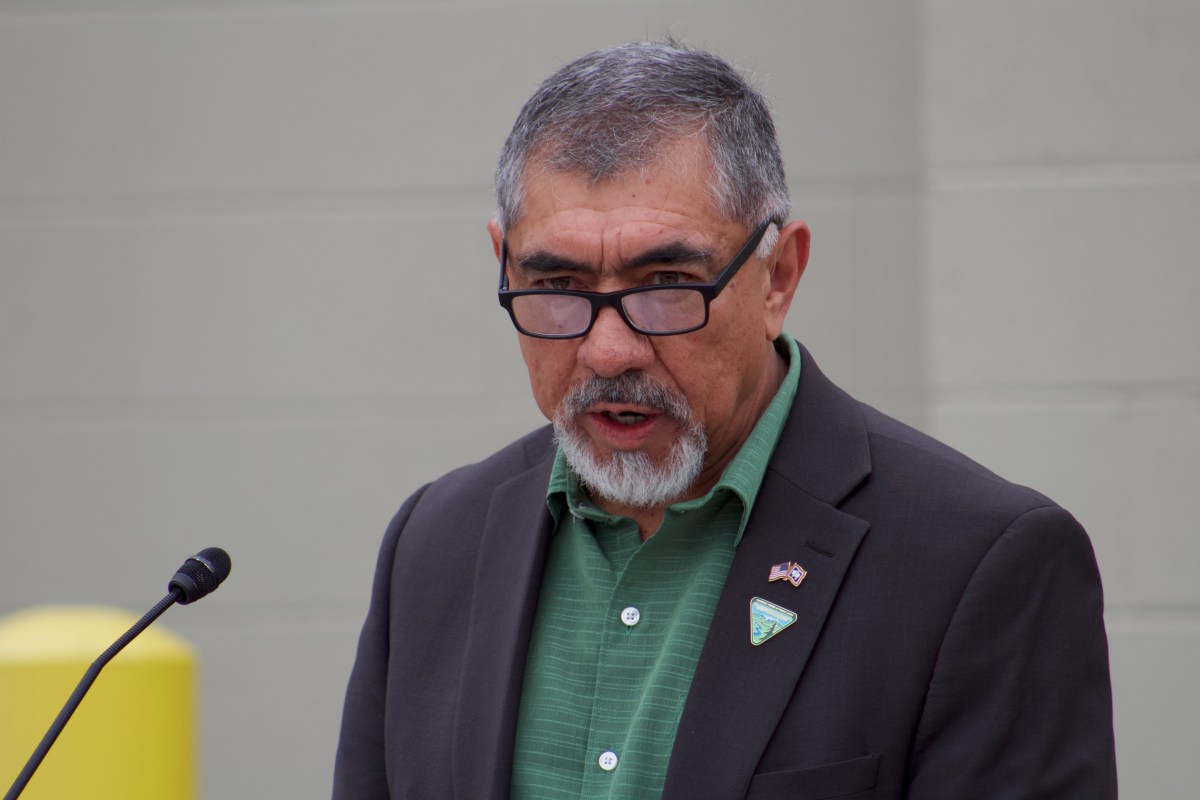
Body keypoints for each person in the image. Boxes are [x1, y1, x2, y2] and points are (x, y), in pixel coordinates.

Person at [333, 40, 1116, 799]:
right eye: (559, 284)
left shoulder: (979, 564)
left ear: (779, 277)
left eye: (668, 282)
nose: (609, 350)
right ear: (503, 263)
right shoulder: (434, 545)